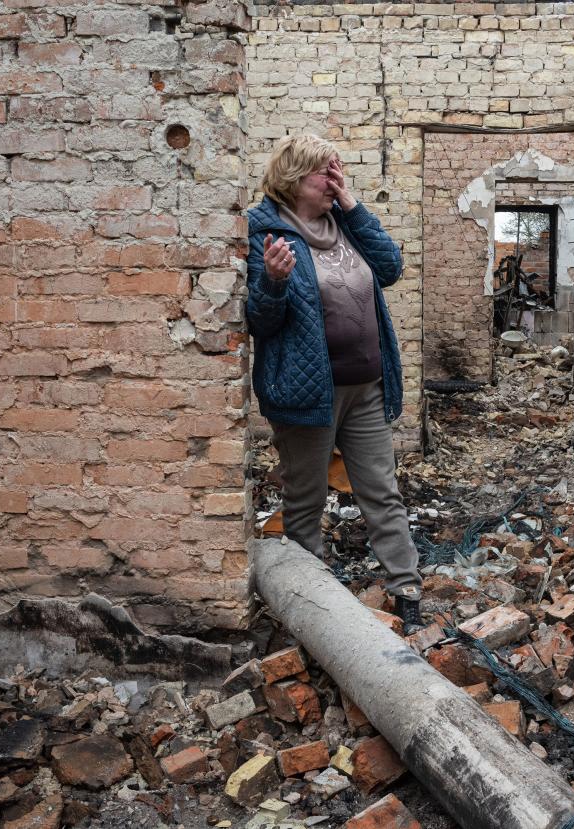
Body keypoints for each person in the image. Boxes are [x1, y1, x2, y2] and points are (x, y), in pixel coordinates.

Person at [244, 134, 424, 634]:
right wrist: (274, 283)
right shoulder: (264, 232)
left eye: (337, 172)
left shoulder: (344, 222)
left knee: (382, 491)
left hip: (366, 386)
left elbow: (390, 268)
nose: (335, 180)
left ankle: (406, 591)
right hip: (307, 395)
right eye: (326, 173)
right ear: (294, 178)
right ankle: (314, 606)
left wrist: (352, 204)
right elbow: (260, 322)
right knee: (305, 502)